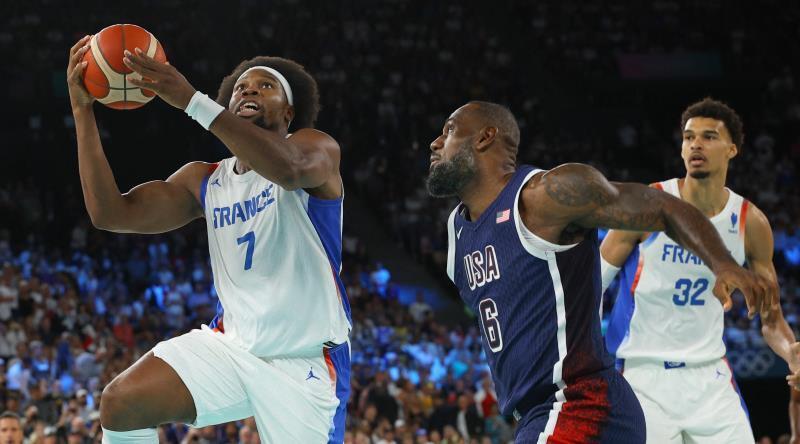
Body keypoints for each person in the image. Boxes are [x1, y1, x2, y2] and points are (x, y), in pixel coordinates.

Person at [427, 101, 776, 443]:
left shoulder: (545, 196)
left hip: (578, 403)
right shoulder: (457, 235)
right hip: (539, 416)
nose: (436, 142)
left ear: (486, 137)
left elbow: (665, 207)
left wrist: (723, 262)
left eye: (450, 130)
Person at [66, 36, 351, 443]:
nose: (249, 89)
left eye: (265, 86)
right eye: (240, 87)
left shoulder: (314, 147)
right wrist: (82, 111)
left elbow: (289, 170)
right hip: (230, 347)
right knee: (122, 403)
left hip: (304, 361)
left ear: (289, 112)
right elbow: (110, 213)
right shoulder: (205, 179)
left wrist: (190, 100)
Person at [601, 98, 800, 443]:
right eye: (689, 137)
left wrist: (791, 351)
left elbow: (771, 319)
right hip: (642, 378)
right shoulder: (650, 203)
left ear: (732, 150)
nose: (696, 144)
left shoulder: (750, 222)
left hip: (710, 380)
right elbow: (592, 281)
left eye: (709, 137)